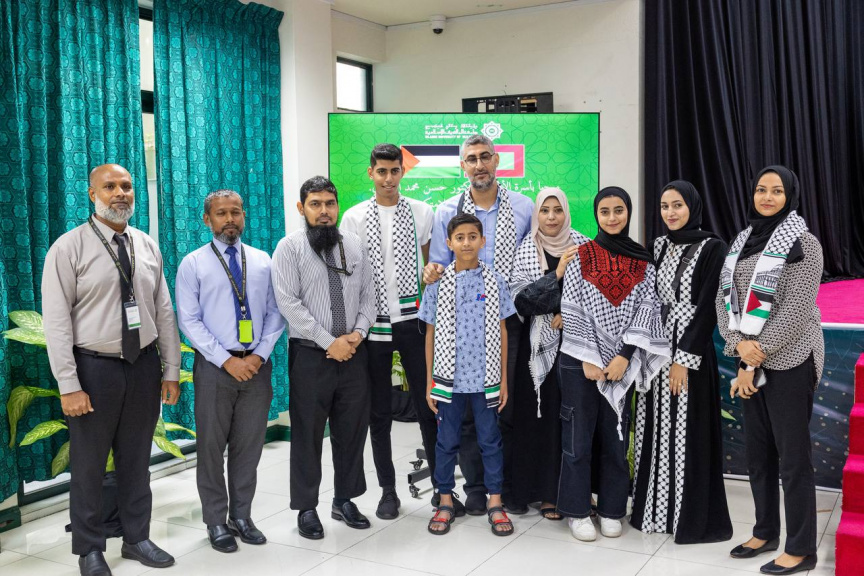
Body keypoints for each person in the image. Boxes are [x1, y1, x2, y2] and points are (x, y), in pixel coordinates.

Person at [42, 164, 181, 576]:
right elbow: (56, 322)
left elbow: (163, 310)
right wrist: (69, 384)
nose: (120, 193)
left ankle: (137, 538)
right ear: (92, 194)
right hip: (93, 369)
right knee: (89, 464)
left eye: (126, 186)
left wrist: (171, 369)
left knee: (136, 460)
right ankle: (89, 549)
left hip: (143, 366)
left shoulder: (146, 245)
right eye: (110, 187)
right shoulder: (68, 248)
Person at [716, 166, 824, 575]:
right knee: (759, 454)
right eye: (761, 190)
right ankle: (765, 532)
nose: (767, 197)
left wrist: (750, 357)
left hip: (790, 358)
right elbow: (724, 299)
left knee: (793, 458)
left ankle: (801, 549)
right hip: (749, 358)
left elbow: (796, 311)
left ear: (789, 196)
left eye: (776, 191)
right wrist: (737, 344)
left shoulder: (804, 243)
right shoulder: (742, 240)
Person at [423, 134, 534, 514]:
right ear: (463, 166)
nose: (479, 164)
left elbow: (534, 257)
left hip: (506, 320)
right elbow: (439, 265)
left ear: (497, 160)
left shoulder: (523, 207)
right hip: (458, 325)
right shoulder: (446, 210)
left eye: (485, 157)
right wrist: (430, 271)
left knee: (503, 406)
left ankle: (504, 490)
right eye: (471, 159)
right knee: (466, 417)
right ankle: (473, 488)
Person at [557, 186, 670, 542]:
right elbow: (571, 306)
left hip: (622, 364)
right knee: (577, 441)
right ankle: (577, 512)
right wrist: (589, 357)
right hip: (579, 363)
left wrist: (624, 356)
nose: (612, 218)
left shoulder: (643, 259)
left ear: (628, 212)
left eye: (618, 210)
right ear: (596, 215)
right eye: (604, 211)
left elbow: (647, 310)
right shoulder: (581, 255)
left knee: (616, 440)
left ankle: (611, 509)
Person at [175, 189, 285, 552]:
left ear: (243, 216)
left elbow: (276, 312)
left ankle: (242, 516)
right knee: (211, 448)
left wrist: (258, 356)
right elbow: (189, 320)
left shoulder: (262, 260)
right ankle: (215, 521)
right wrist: (226, 360)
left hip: (256, 367)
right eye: (221, 213)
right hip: (214, 369)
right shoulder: (193, 263)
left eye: (235, 212)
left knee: (248, 447)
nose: (229, 219)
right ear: (207, 220)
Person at [271, 176, 376, 540]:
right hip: (311, 356)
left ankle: (344, 499)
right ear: (302, 208)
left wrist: (357, 334)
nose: (324, 211)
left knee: (351, 431)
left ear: (337, 206)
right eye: (315, 204)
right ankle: (306, 508)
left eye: (330, 203)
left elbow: (369, 297)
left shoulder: (355, 245)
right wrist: (329, 342)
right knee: (307, 433)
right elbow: (288, 303)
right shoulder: (289, 248)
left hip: (353, 353)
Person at [630, 180, 733, 544]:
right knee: (655, 429)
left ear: (692, 206)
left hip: (690, 352)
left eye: (677, 205)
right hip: (656, 349)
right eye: (664, 206)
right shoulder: (657, 246)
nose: (670, 213)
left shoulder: (713, 247)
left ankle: (688, 518)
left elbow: (708, 308)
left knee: (687, 431)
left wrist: (684, 359)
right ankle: (654, 512)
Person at [340, 144, 437, 520]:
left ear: (402, 172)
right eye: (381, 171)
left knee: (429, 406)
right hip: (372, 325)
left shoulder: (422, 212)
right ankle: (388, 492)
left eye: (394, 171)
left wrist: (432, 277)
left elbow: (432, 266)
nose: (388, 178)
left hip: (414, 321)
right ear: (371, 173)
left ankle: (442, 489)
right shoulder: (353, 217)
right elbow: (348, 276)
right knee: (378, 413)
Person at [420, 214, 517, 536]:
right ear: (449, 243)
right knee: (446, 442)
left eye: (472, 236)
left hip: (485, 379)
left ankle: (495, 501)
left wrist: (503, 380)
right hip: (448, 381)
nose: (466, 243)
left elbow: (503, 331)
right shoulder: (437, 284)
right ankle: (446, 500)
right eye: (459, 237)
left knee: (490, 440)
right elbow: (430, 335)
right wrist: (430, 381)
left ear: (482, 240)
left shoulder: (495, 281)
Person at [508, 188, 589, 518]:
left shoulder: (583, 247)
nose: (552, 217)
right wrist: (556, 275)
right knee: (536, 420)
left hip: (577, 346)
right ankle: (537, 492)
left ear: (566, 212)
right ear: (536, 215)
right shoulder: (527, 249)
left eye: (558, 210)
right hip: (536, 350)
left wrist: (568, 313)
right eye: (545, 210)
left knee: (569, 421)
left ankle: (564, 492)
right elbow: (521, 301)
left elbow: (597, 297)